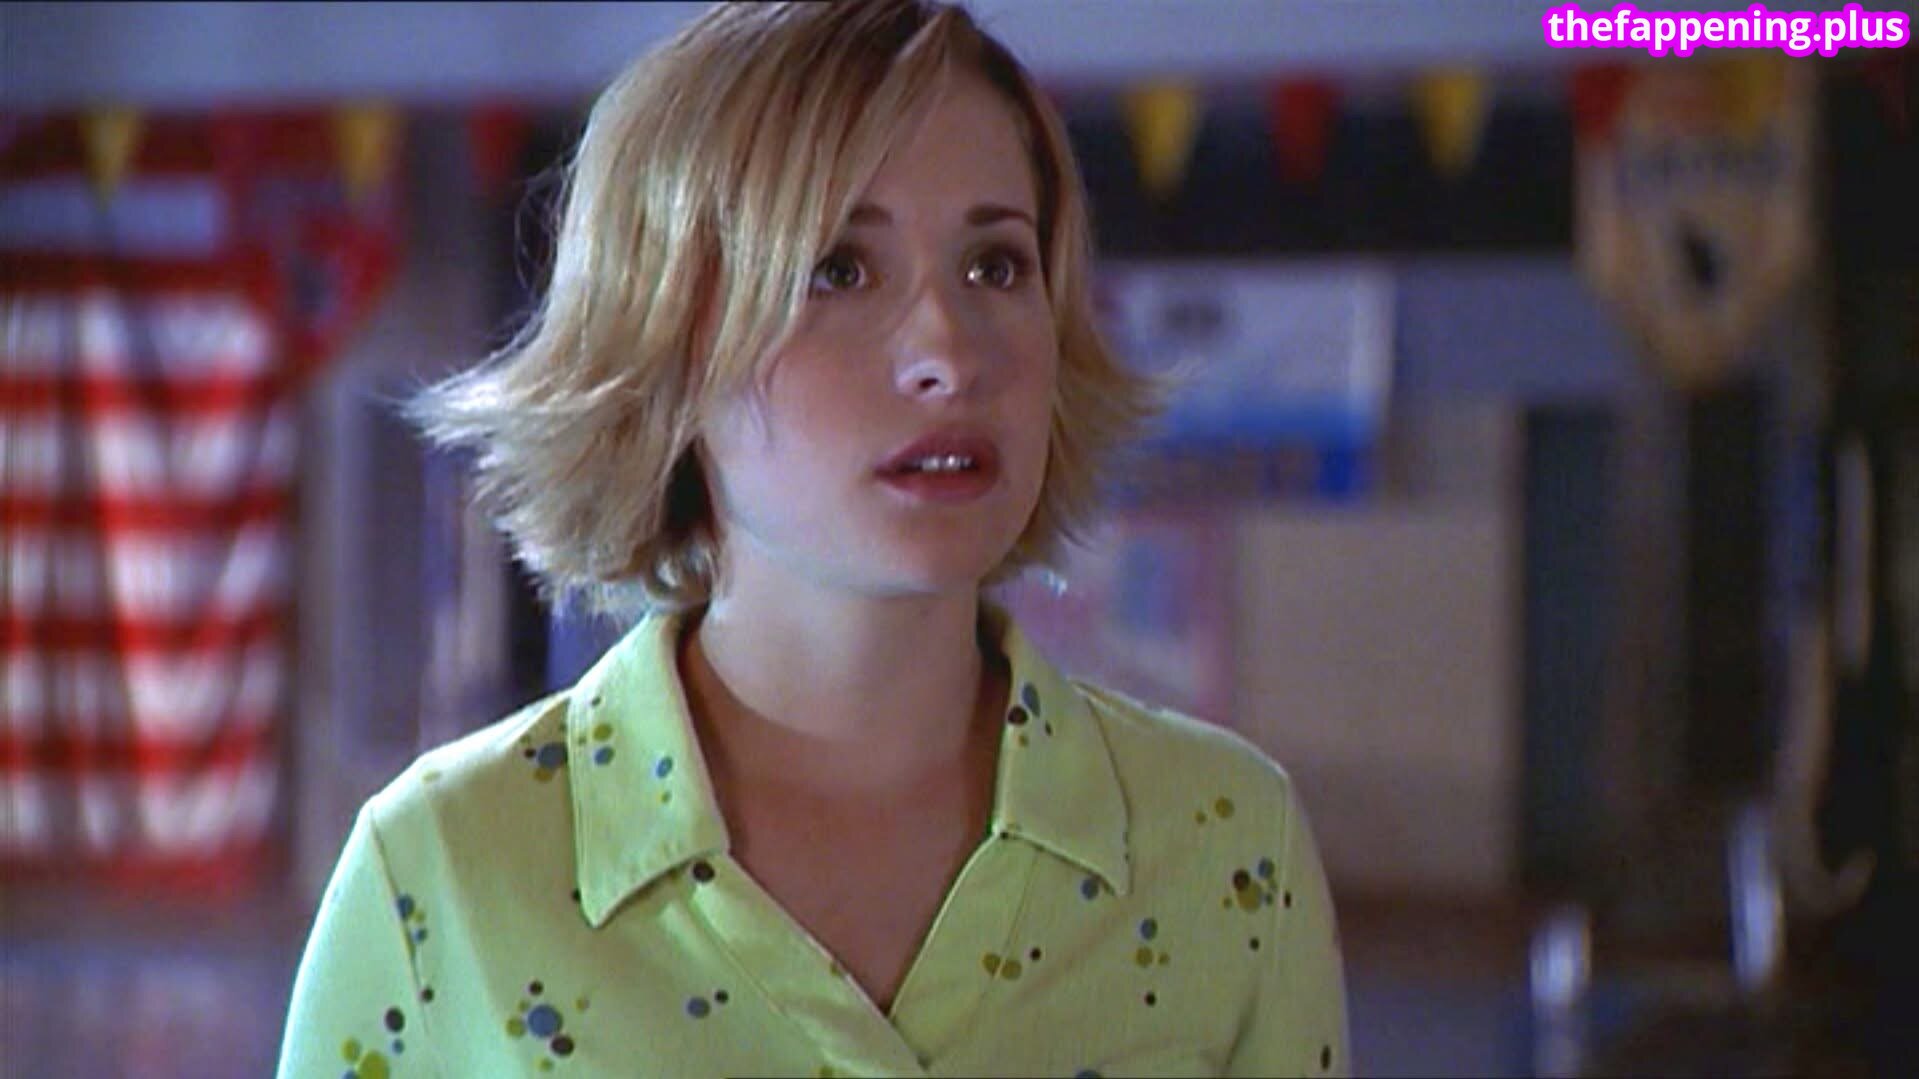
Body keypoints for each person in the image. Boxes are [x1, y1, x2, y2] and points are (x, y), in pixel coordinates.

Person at [278, 2, 1348, 1075]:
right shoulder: (445, 872)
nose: (947, 353)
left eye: (994, 266)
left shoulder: (1221, 843)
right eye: (836, 269)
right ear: (669, 342)